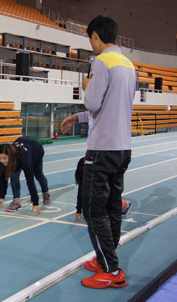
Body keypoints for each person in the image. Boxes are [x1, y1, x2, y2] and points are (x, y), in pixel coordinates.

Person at [61, 15, 136, 289]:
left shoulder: (103, 61)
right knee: (113, 206)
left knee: (93, 210)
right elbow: (112, 106)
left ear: (95, 36)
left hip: (102, 149)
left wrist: (86, 88)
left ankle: (111, 270)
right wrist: (78, 117)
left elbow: (93, 102)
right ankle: (106, 257)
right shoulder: (128, 63)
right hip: (122, 148)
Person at [0, 138, 50, 215]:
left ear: (10, 156)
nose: (2, 161)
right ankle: (16, 201)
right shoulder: (6, 159)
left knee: (38, 175)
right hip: (20, 154)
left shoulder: (25, 160)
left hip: (36, 150)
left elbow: (30, 181)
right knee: (13, 176)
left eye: (4, 158)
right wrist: (2, 196)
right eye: (0, 158)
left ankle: (45, 192)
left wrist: (35, 202)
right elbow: (3, 177)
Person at [74, 157, 132, 222]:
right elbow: (80, 191)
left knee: (108, 201)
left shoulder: (100, 169)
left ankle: (125, 204)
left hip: (105, 186)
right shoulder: (82, 169)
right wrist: (78, 210)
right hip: (97, 187)